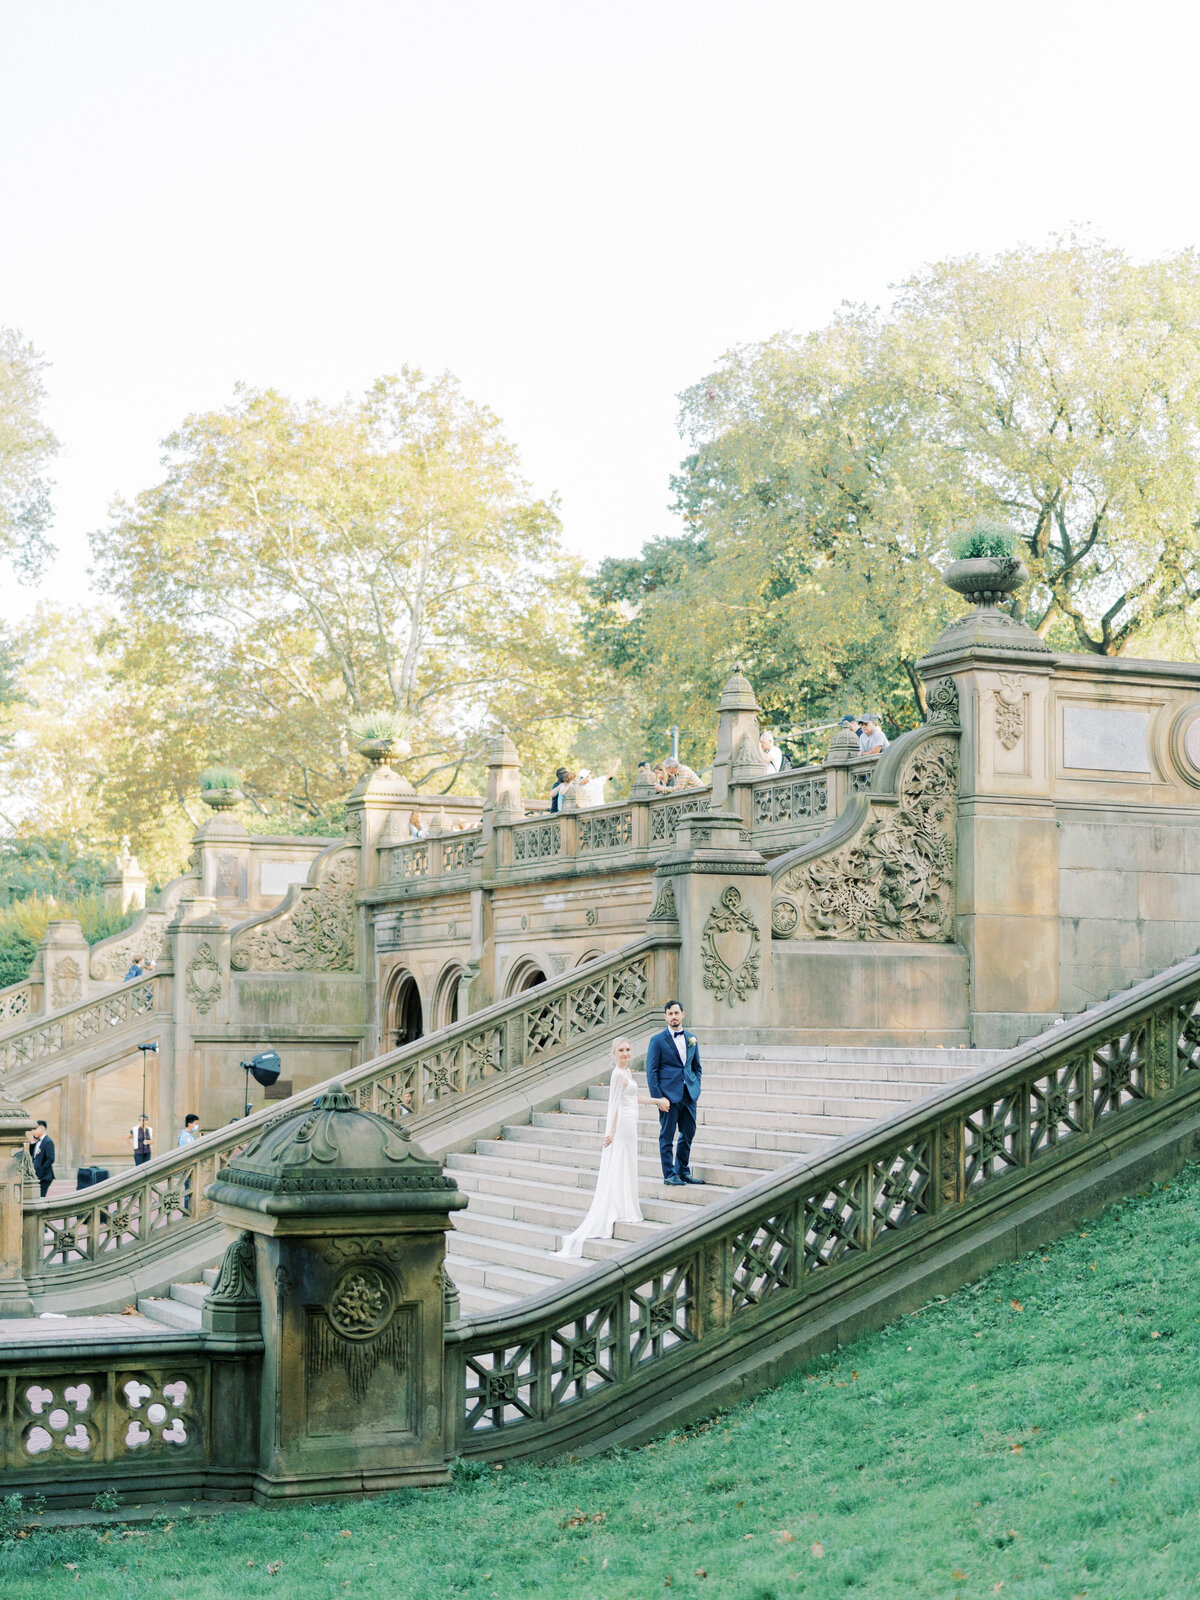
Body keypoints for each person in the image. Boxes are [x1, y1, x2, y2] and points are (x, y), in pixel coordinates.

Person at [553, 1038, 658, 1258]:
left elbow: (633, 1097)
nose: (626, 1053)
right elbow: (615, 1103)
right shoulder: (618, 1074)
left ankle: (624, 1204)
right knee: (620, 1162)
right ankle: (619, 1206)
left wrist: (656, 1101)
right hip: (622, 1125)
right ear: (614, 1053)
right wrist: (611, 1131)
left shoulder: (627, 1072)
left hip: (631, 1122)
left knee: (627, 1163)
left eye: (628, 1049)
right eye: (621, 1050)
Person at [644, 999, 703, 1186]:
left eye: (676, 1013)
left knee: (689, 1133)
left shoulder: (692, 1039)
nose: (674, 1017)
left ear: (682, 1014)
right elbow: (651, 1071)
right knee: (667, 1136)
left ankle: (683, 1171)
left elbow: (696, 1067)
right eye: (670, 1014)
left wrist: (696, 1085)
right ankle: (669, 1175)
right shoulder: (658, 1040)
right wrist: (658, 1098)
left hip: (689, 1094)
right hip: (668, 1097)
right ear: (665, 1017)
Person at [30, 1119, 55, 1198]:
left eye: (35, 1129)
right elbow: (32, 1155)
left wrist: (41, 1171)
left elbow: (50, 1159)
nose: (33, 1132)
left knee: (40, 1197)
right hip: (38, 1175)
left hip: (44, 1177)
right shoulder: (38, 1141)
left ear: (42, 1129)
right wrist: (33, 1142)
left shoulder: (48, 1141)